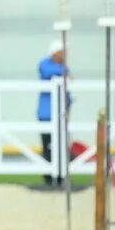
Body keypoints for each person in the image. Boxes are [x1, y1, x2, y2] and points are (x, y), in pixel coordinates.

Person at [37, 41, 70, 186]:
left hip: (60, 115)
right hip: (46, 114)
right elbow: (45, 71)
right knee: (47, 146)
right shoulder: (46, 64)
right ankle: (48, 177)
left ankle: (61, 176)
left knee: (61, 146)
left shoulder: (63, 67)